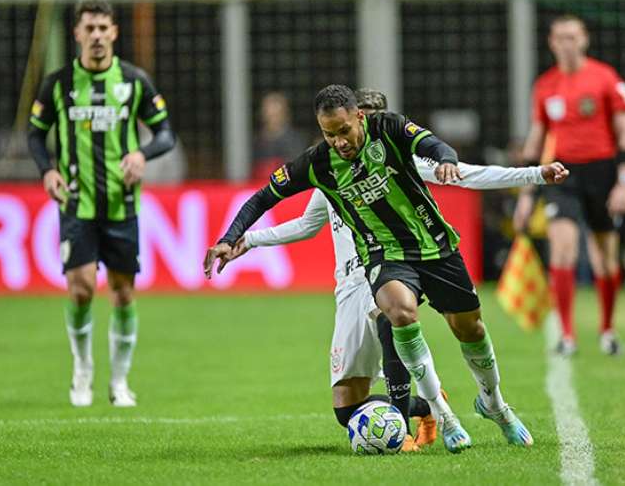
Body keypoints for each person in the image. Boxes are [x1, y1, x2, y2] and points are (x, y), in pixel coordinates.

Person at [206, 84, 540, 453]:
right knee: (346, 405)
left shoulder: (396, 150)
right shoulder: (323, 171)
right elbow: (300, 222)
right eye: (329, 134)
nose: (340, 142)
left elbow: (466, 173)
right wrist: (243, 239)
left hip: (406, 256)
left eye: (345, 130)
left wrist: (533, 176)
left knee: (407, 316)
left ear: (363, 119)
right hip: (352, 280)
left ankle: (439, 417)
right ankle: (426, 409)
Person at [27, 0, 176, 407]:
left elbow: (166, 134)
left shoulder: (133, 82)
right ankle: (82, 371)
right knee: (80, 289)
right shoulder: (59, 84)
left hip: (121, 204)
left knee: (123, 293)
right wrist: (47, 170)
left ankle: (120, 382)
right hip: (76, 202)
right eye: (88, 28)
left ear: (114, 32)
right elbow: (36, 134)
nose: (96, 36)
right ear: (77, 34)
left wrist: (143, 155)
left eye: (102, 28)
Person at [513, 14, 625, 357]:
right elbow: (536, 137)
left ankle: (608, 330)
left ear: (584, 39)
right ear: (551, 43)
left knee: (605, 257)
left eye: (572, 37)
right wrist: (526, 191)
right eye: (559, 38)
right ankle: (567, 335)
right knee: (563, 247)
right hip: (562, 174)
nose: (566, 44)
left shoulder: (605, 79)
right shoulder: (545, 85)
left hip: (603, 172)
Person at [252, 92, 306, 180]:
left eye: (276, 114)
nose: (273, 118)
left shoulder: (294, 140)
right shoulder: (257, 141)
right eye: (270, 114)